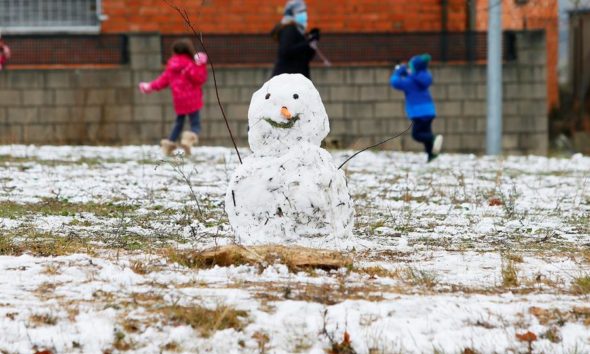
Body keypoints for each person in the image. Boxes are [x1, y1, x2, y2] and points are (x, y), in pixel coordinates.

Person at [138, 39, 208, 156]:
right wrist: (201, 65)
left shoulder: (171, 66)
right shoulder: (191, 64)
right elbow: (200, 78)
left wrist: (149, 86)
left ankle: (169, 143)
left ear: (174, 51)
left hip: (179, 100)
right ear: (189, 50)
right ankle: (188, 138)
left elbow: (162, 81)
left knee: (179, 122)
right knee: (195, 124)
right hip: (192, 99)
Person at [390, 54, 443, 162]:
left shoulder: (410, 82)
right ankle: (432, 156)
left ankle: (434, 138)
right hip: (429, 111)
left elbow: (395, 82)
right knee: (426, 133)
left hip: (419, 113)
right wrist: (408, 74)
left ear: (414, 68)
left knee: (417, 135)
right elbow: (414, 77)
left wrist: (399, 72)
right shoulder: (422, 78)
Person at [271, 0, 320, 79]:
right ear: (291, 13)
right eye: (300, 12)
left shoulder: (299, 31)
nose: (304, 15)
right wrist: (307, 43)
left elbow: (306, 57)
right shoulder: (289, 29)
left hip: (298, 77)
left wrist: (312, 42)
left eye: (304, 11)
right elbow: (286, 51)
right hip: (287, 79)